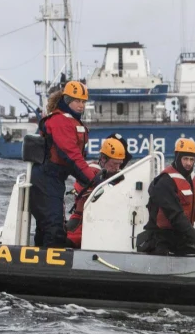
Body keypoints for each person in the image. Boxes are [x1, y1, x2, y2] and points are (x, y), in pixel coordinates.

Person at [29, 81, 100, 248]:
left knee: (47, 226)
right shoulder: (60, 121)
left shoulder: (70, 121)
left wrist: (91, 179)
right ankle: (46, 267)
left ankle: (40, 259)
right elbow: (71, 156)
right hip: (45, 178)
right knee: (53, 227)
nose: (81, 105)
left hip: (54, 179)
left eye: (83, 102)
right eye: (77, 101)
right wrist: (93, 180)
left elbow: (74, 161)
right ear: (67, 100)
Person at [136, 138, 195, 256]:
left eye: (192, 159)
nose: (188, 163)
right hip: (162, 238)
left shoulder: (193, 178)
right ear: (177, 157)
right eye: (185, 159)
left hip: (182, 237)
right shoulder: (165, 182)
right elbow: (175, 215)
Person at [65, 137, 126, 248]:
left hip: (104, 222)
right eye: (114, 164)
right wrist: (108, 184)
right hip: (82, 222)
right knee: (66, 241)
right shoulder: (90, 171)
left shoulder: (117, 175)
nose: (117, 168)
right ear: (103, 159)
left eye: (119, 164)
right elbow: (83, 193)